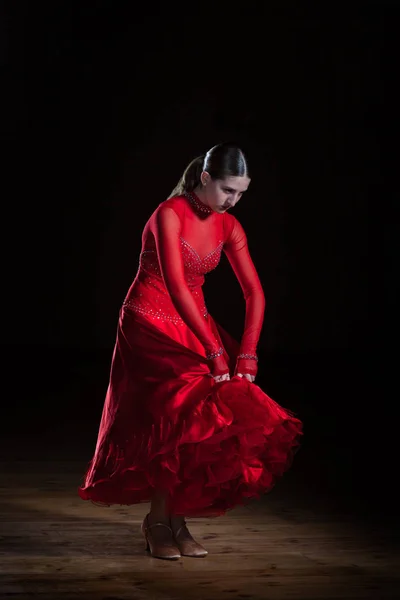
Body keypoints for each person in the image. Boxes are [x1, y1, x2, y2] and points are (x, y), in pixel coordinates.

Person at [78, 142, 303, 560]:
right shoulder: (168, 213)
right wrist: (216, 352)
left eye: (241, 193)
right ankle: (160, 523)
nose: (233, 201)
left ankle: (171, 520)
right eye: (227, 190)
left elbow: (254, 292)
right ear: (204, 178)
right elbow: (176, 284)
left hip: (193, 322)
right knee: (178, 412)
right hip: (148, 319)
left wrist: (247, 353)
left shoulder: (229, 225)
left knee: (206, 416)